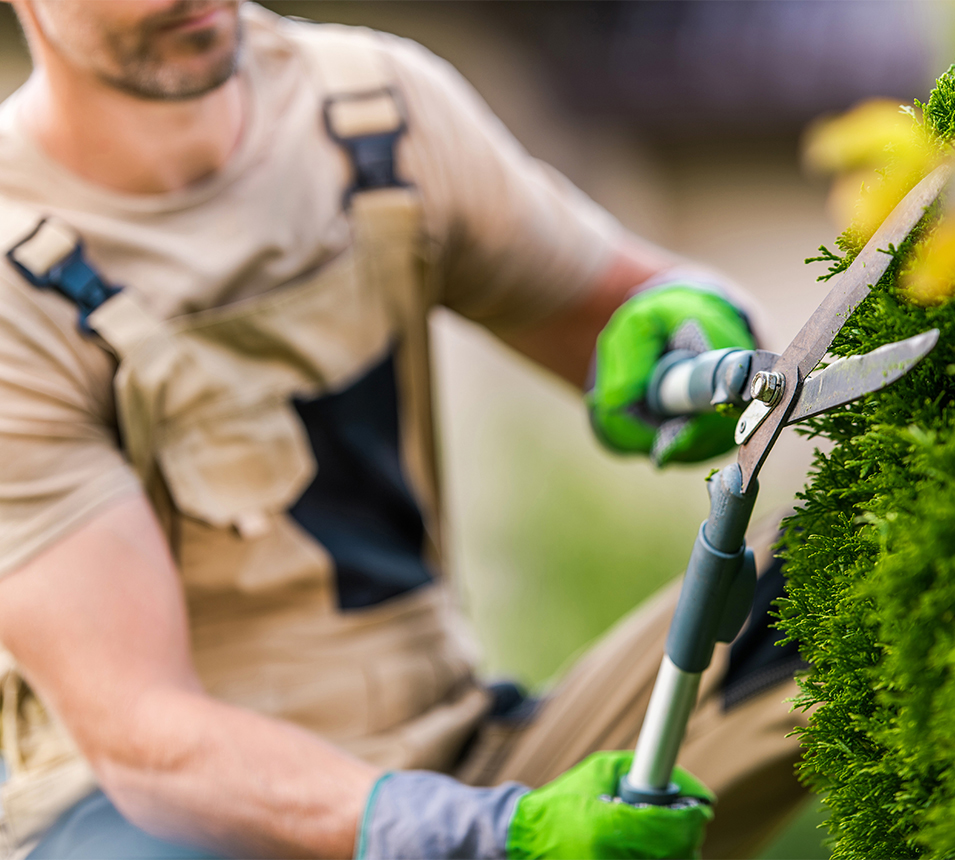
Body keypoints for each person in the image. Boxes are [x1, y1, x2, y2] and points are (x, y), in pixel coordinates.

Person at [0, 1, 808, 857]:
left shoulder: (370, 108)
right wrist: (496, 836)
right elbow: (146, 742)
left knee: (845, 568)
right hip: (164, 825)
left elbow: (623, 315)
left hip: (466, 760)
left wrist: (692, 334)